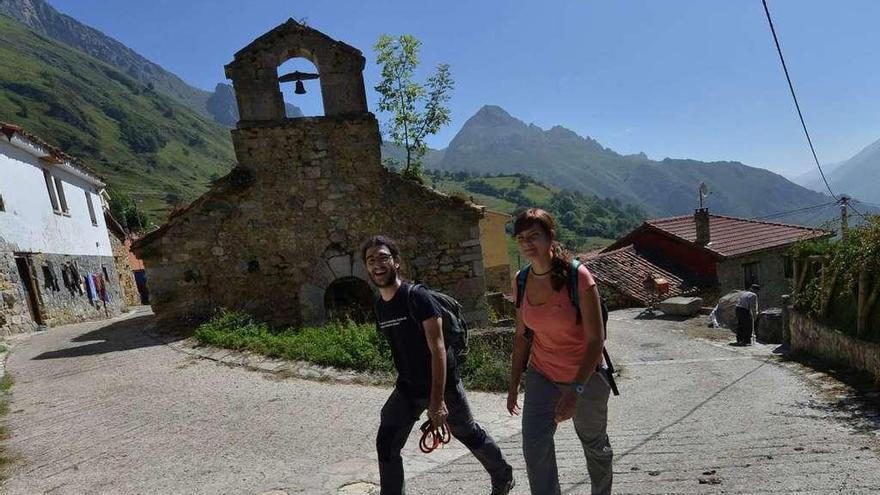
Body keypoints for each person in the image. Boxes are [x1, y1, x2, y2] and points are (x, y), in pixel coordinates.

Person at [362, 235, 515, 495]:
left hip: (443, 387)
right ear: (367, 267)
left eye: (384, 257)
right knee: (386, 441)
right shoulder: (379, 304)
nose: (378, 264)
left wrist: (436, 402)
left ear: (396, 262)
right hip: (408, 387)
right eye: (371, 259)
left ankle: (503, 476)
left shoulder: (417, 297)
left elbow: (438, 350)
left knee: (466, 432)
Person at [507, 209, 613, 495]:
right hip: (543, 373)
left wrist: (574, 391)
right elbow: (521, 336)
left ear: (550, 237)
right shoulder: (520, 280)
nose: (528, 243)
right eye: (521, 238)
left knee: (594, 444)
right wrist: (514, 383)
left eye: (534, 236)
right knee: (534, 444)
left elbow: (595, 340)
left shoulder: (578, 277)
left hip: (587, 375)